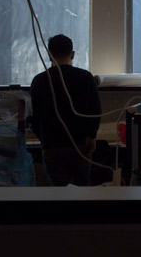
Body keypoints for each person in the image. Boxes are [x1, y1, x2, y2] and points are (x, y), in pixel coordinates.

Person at [30, 34, 102, 186]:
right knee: (82, 189)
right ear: (73, 54)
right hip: (80, 144)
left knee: (59, 192)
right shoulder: (86, 78)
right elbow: (95, 110)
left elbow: (34, 118)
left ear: (49, 56)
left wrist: (45, 139)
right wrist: (92, 136)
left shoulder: (39, 81)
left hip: (52, 145)